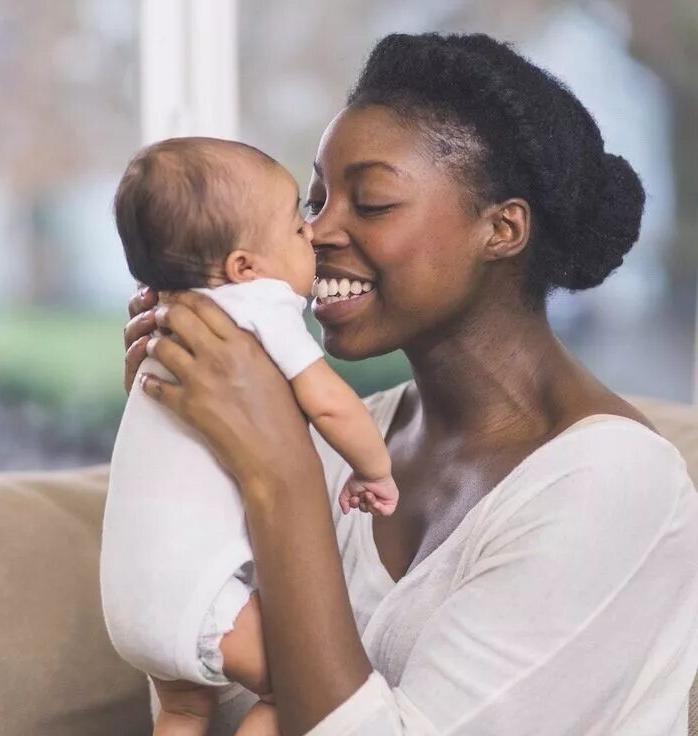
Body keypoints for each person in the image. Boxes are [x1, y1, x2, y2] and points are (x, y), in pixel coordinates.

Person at [123, 33, 698, 736]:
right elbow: (206, 681)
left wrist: (280, 476)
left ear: (503, 229)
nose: (318, 229)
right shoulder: (339, 439)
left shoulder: (615, 485)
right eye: (314, 199)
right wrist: (181, 451)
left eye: (370, 202)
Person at [101, 137, 399, 736]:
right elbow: (332, 405)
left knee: (185, 711)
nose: (313, 235)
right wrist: (374, 470)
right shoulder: (258, 309)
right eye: (297, 224)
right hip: (205, 600)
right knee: (300, 687)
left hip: (126, 603)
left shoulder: (173, 322)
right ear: (244, 267)